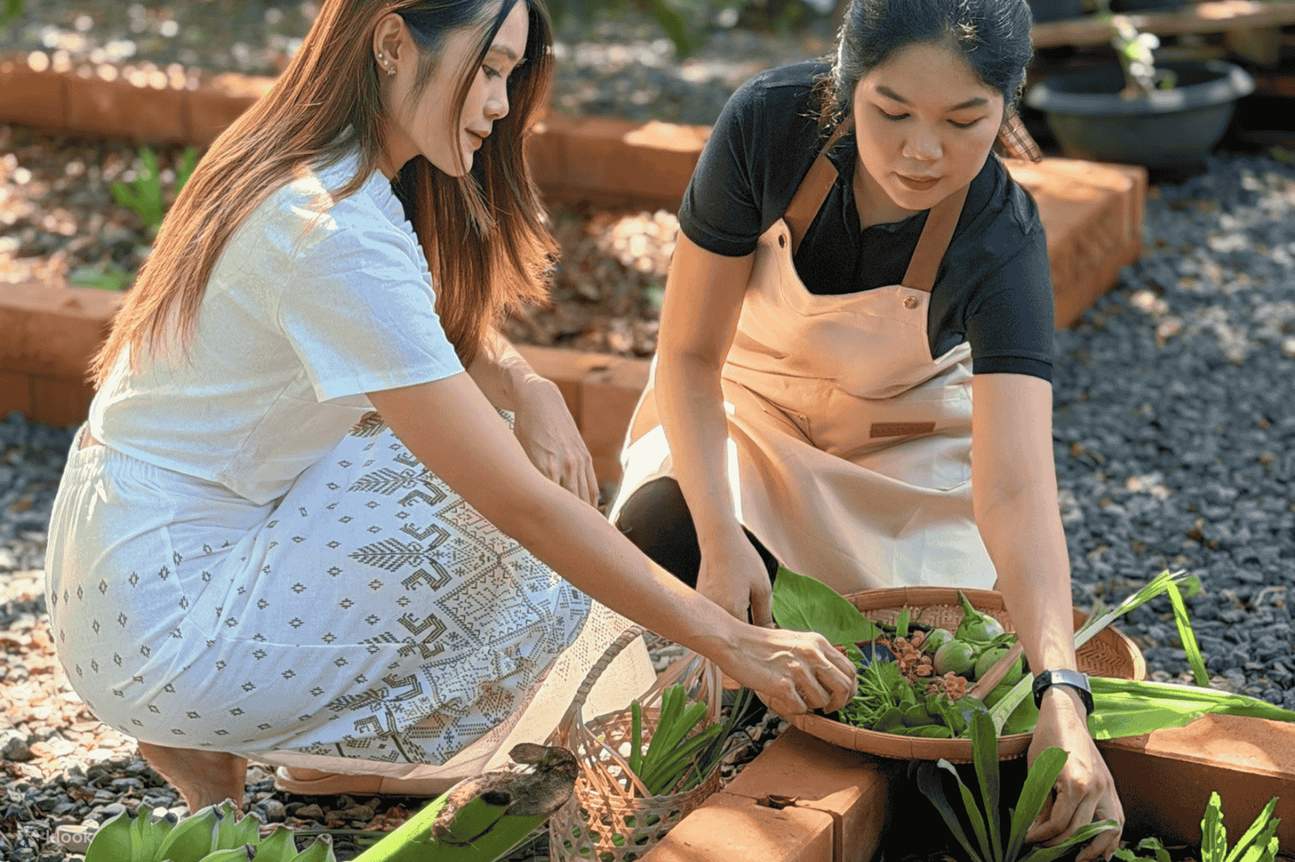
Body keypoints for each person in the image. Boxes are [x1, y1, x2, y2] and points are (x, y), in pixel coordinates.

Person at [43, 0, 855, 814]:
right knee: (471, 498)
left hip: (116, 563)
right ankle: (243, 719)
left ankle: (302, 751)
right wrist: (733, 642)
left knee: (446, 443)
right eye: (489, 69)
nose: (501, 106)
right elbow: (519, 504)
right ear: (393, 43)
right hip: (168, 621)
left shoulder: (302, 160)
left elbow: (419, 327)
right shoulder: (333, 233)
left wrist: (531, 386)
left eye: (510, 74)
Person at [609, 1, 1123, 860]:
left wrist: (1062, 694)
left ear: (1006, 108)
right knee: (661, 546)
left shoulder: (1002, 236)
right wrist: (721, 542)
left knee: (944, 692)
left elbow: (1015, 487)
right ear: (847, 88)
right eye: (891, 113)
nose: (923, 151)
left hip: (899, 466)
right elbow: (691, 360)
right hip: (748, 422)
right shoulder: (767, 127)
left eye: (964, 121)